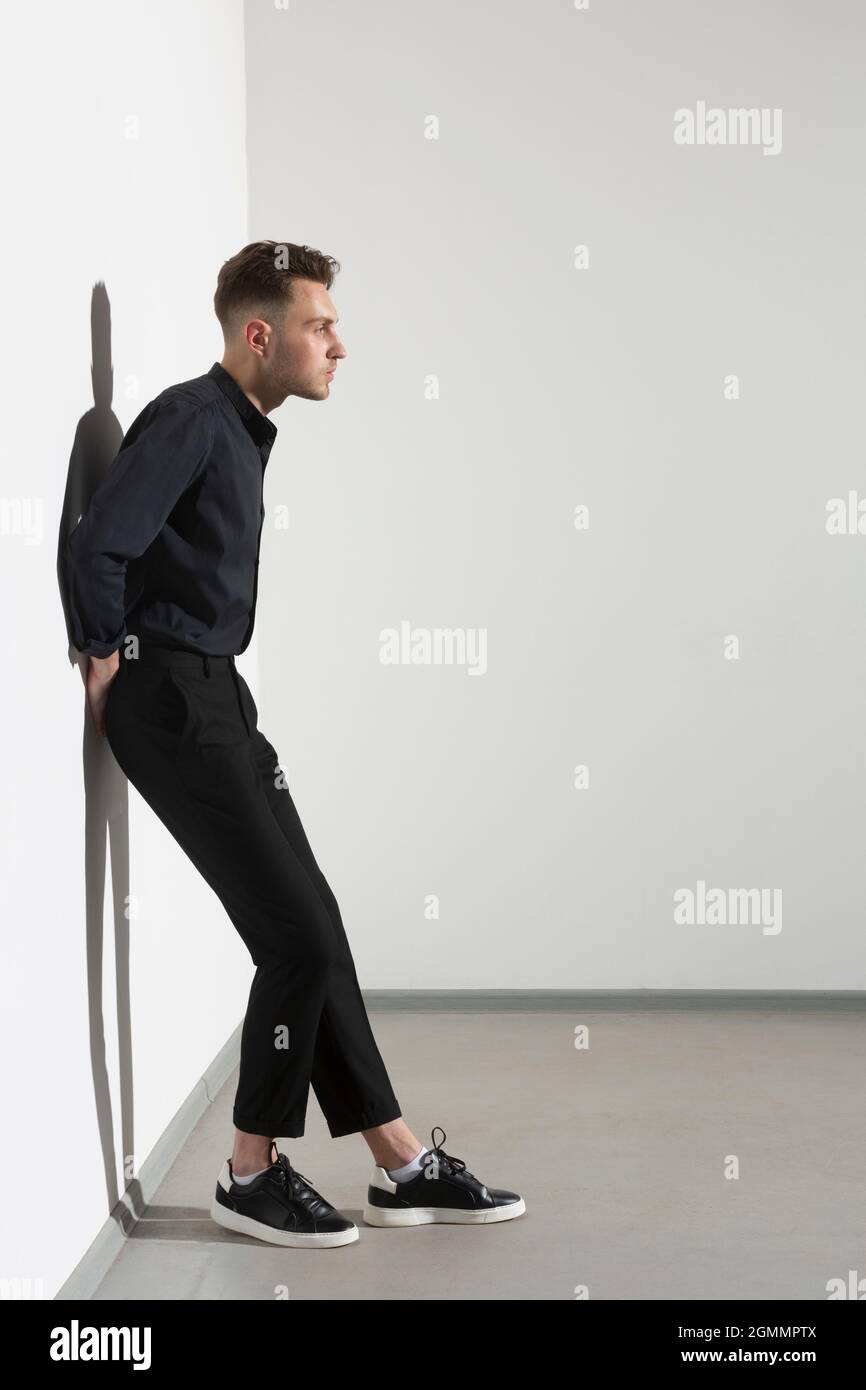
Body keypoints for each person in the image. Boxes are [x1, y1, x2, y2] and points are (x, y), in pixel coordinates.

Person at [61, 240, 525, 1248]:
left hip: (216, 695)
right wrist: (102, 654)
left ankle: (399, 1162)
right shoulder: (192, 418)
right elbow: (101, 541)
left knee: (316, 923)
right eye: (321, 325)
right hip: (172, 700)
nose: (337, 345)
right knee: (295, 938)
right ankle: (247, 1168)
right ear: (259, 333)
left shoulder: (236, 425)